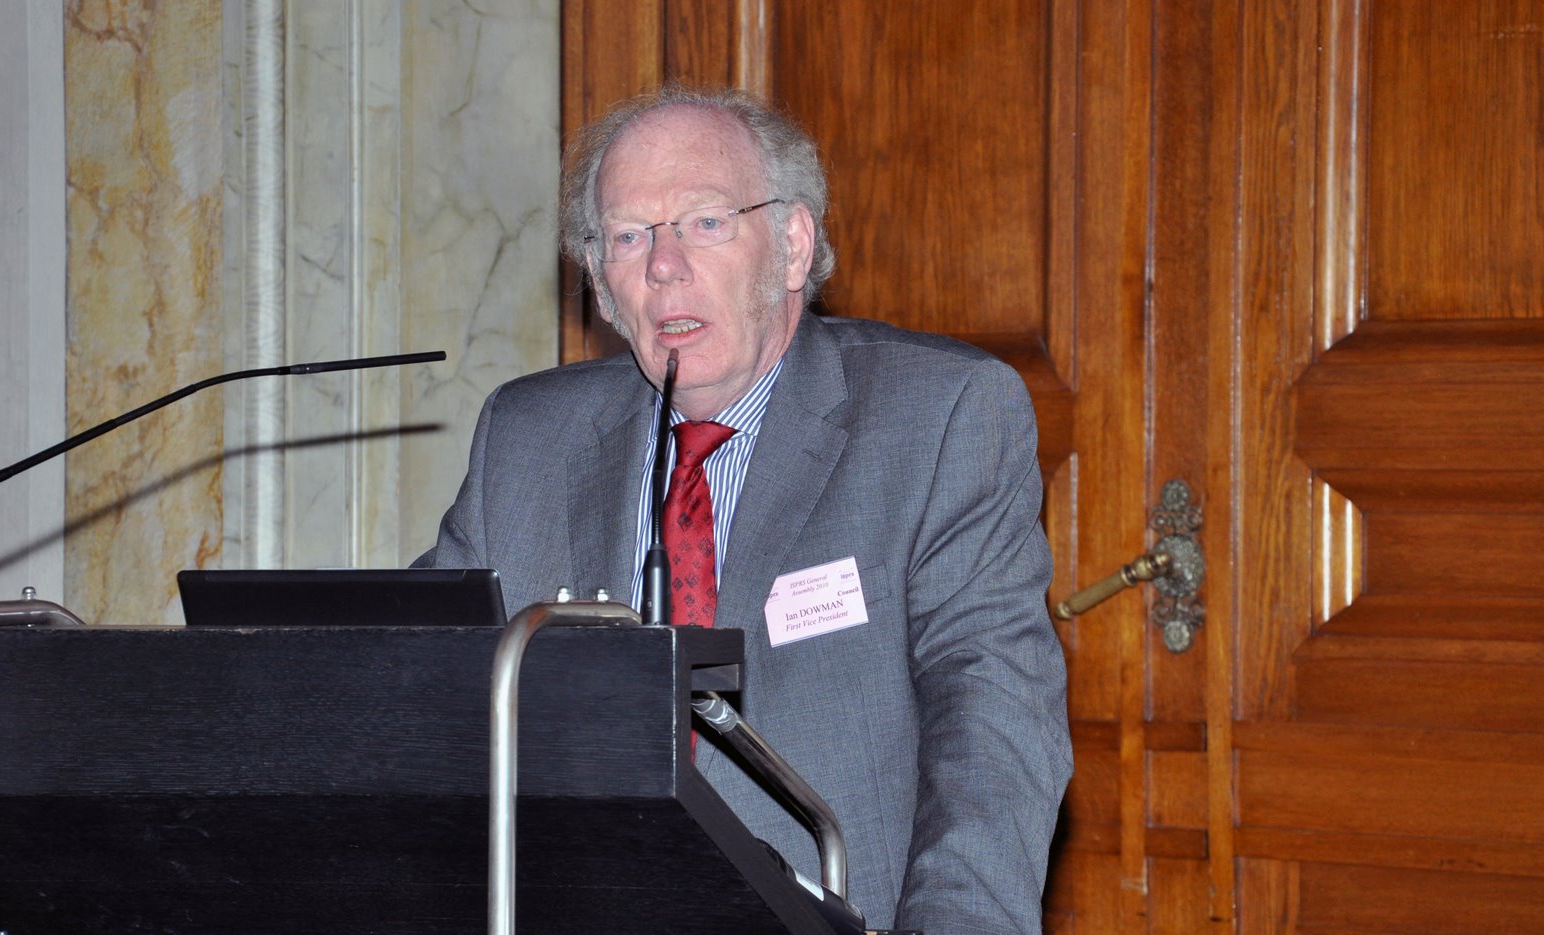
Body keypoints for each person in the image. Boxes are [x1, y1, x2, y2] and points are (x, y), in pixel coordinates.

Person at [418, 85, 1070, 933]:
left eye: (705, 222)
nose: (664, 264)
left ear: (793, 246)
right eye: (629, 236)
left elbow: (994, 736)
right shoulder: (526, 440)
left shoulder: (939, 417)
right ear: (602, 287)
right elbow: (416, 686)